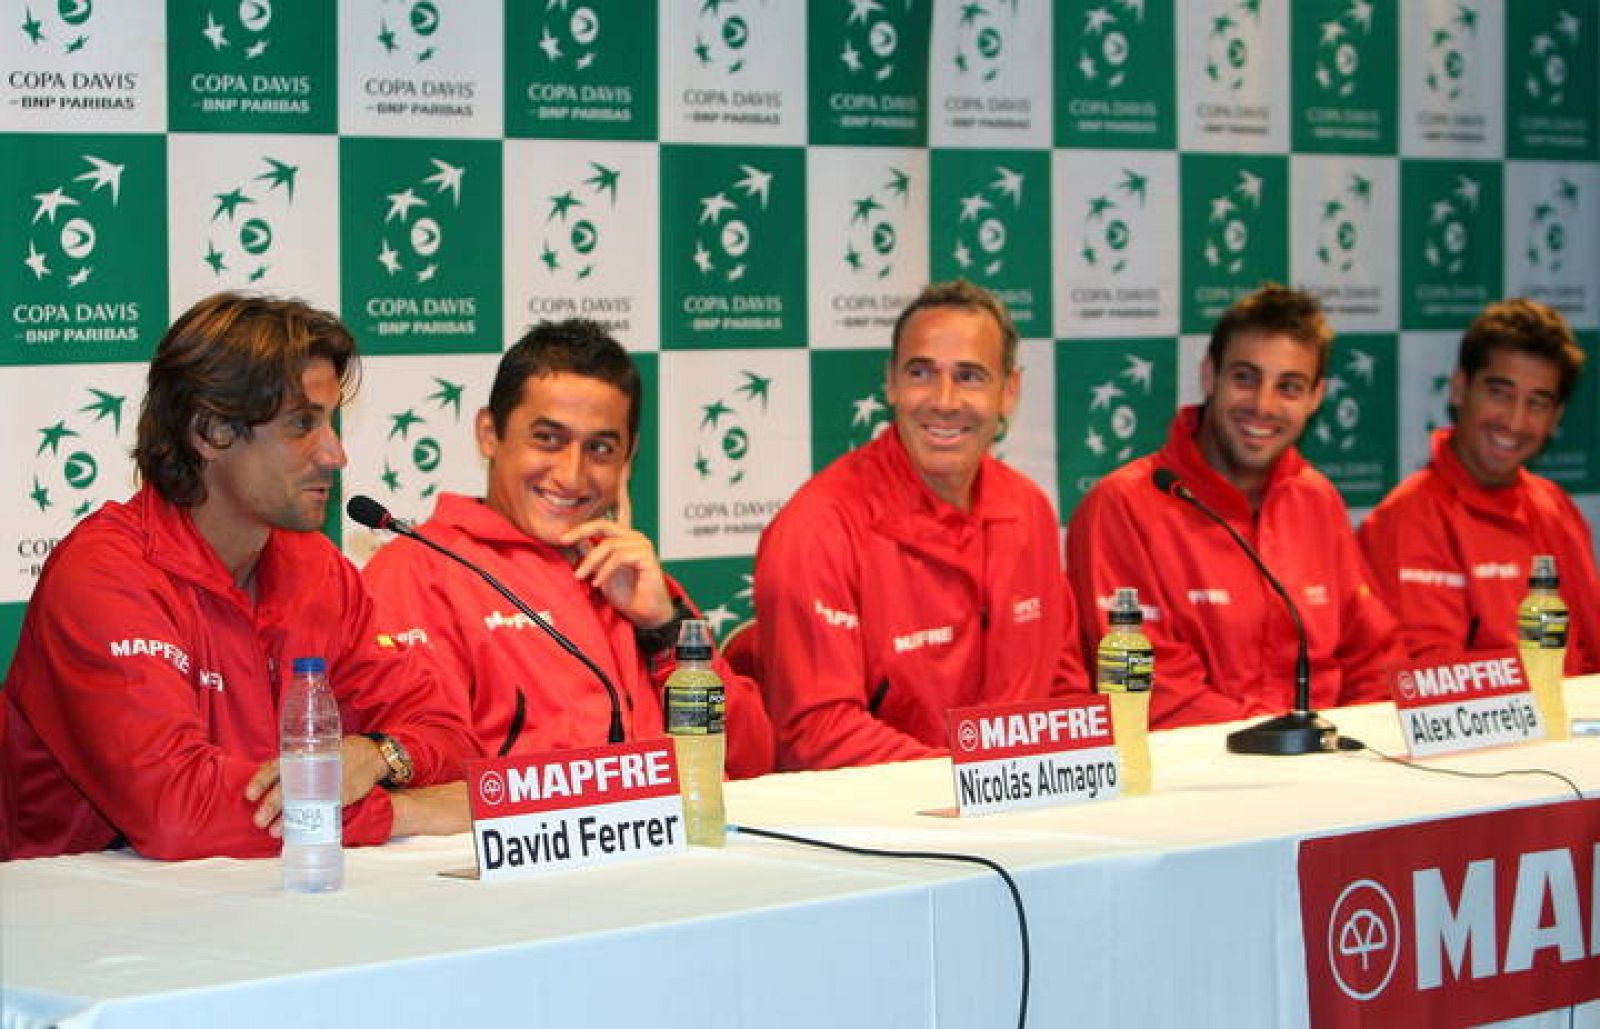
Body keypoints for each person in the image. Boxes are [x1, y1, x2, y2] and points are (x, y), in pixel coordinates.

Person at [0, 293, 476, 861]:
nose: (336, 454)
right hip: (82, 907)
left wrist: (378, 756)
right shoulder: (103, 577)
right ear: (210, 431)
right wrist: (404, 811)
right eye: (302, 424)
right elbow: (177, 812)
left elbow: (447, 734)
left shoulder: (317, 568)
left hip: (267, 892)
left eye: (330, 422)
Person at [361, 320, 774, 778]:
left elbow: (750, 761)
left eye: (600, 448)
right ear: (489, 433)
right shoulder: (419, 574)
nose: (572, 475)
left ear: (629, 457)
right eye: (548, 439)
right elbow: (422, 777)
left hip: (683, 825)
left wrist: (663, 630)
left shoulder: (627, 570)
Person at [753, 280, 1087, 771]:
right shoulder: (817, 529)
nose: (944, 400)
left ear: (1008, 391)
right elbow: (818, 736)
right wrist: (972, 784)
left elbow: (1066, 693)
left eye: (969, 376)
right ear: (891, 383)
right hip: (885, 816)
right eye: (921, 373)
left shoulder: (1029, 509)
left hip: (1022, 805)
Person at [1066, 284, 1401, 730]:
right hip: (1192, 770)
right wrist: (1289, 744)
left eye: (1289, 387)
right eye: (1245, 378)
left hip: (1325, 758)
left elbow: (1374, 661)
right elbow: (1151, 692)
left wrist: (1354, 743)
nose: (1263, 405)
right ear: (1210, 375)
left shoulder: (1318, 499)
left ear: (1316, 397)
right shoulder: (1121, 505)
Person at [1359, 298, 1600, 673]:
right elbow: (1431, 683)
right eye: (1500, 393)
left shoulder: (1556, 508)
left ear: (1556, 418)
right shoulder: (1406, 519)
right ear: (1459, 389)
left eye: (1537, 403)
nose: (1515, 422)